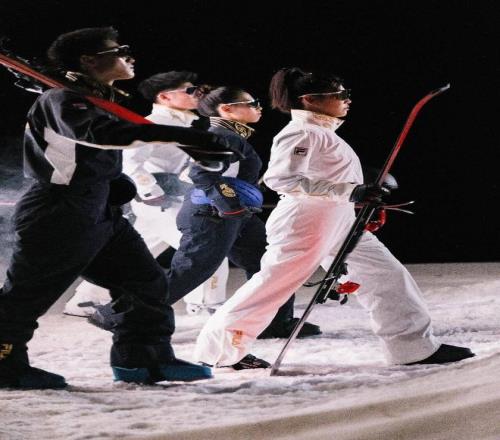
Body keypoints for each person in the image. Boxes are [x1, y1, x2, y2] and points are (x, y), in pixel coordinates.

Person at [0, 27, 236, 389]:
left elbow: (96, 149)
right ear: (88, 60)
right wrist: (185, 137)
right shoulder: (62, 99)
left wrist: (114, 182)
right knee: (28, 293)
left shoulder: (96, 99)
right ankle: (5, 363)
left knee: (146, 282)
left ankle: (142, 357)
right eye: (119, 50)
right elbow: (103, 135)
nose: (129, 55)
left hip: (101, 208)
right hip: (60, 211)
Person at [193, 67, 475, 369]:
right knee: (271, 287)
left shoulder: (322, 132)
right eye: (339, 95)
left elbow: (329, 179)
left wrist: (361, 194)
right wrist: (351, 192)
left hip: (337, 221)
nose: (347, 100)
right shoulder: (302, 132)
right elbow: (282, 179)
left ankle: (413, 349)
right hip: (305, 224)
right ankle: (219, 353)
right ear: (310, 100)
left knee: (386, 276)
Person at [63, 71, 230, 317]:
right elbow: (130, 160)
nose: (196, 94)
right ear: (164, 97)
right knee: (206, 246)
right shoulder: (152, 123)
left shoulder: (186, 122)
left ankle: (85, 299)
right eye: (189, 90)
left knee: (135, 253)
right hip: (158, 201)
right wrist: (150, 191)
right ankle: (205, 305)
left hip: (170, 196)